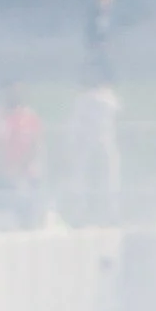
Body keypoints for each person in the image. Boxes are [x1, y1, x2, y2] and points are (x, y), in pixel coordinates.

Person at [0, 81, 44, 227]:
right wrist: (3, 168)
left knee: (26, 204)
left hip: (25, 172)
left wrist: (19, 168)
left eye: (16, 92)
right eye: (9, 93)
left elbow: (35, 145)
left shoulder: (29, 117)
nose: (12, 96)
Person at [64, 79, 122, 227]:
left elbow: (76, 124)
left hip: (96, 141)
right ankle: (93, 214)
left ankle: (96, 214)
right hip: (94, 141)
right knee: (93, 178)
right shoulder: (108, 99)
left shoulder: (90, 100)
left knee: (102, 178)